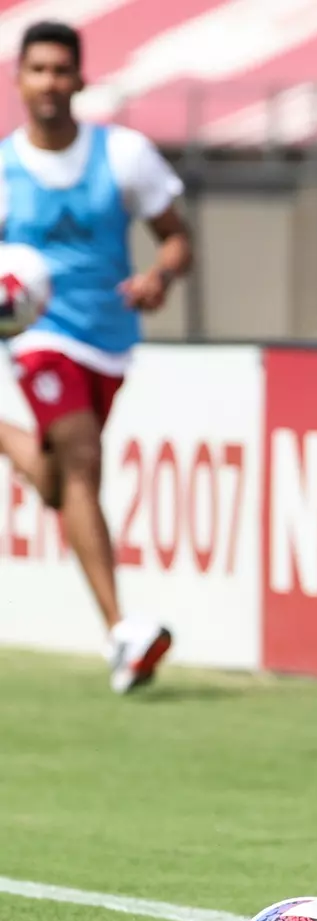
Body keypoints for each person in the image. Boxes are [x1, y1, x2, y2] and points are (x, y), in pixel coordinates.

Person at [0, 21, 192, 694]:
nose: (50, 82)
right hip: (37, 339)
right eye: (38, 70)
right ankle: (121, 630)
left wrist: (158, 279)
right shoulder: (3, 170)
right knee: (81, 458)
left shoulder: (125, 155)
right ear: (19, 80)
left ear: (80, 80)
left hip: (109, 342)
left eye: (61, 70)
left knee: (61, 481)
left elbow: (176, 239)